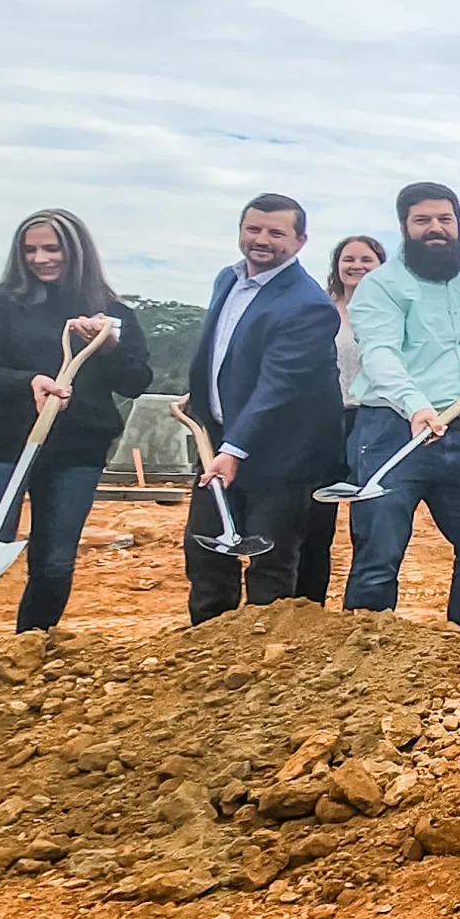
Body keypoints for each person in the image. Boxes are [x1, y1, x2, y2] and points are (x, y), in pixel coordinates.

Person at [0, 209, 153, 640]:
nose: (40, 258)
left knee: (55, 560)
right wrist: (28, 383)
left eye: (51, 248)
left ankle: (33, 646)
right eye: (30, 249)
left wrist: (110, 346)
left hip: (76, 452)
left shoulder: (113, 313)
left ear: (75, 251)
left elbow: (135, 382)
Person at [341, 183, 460, 642]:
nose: (435, 229)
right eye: (423, 221)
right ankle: (366, 651)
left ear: (457, 224)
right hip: (392, 431)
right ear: (404, 227)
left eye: (445, 220)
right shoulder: (381, 286)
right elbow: (379, 353)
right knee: (380, 549)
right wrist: (416, 406)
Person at [182, 193, 344, 624]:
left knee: (270, 559)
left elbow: (280, 385)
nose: (262, 240)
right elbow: (224, 351)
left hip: (281, 455)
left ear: (300, 241)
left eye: (276, 233)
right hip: (219, 440)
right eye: (253, 229)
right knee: (206, 553)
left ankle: (265, 657)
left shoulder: (308, 304)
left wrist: (235, 449)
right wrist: (200, 396)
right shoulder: (228, 280)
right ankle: (206, 650)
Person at [295, 233, 386, 605]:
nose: (357, 266)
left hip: (373, 420)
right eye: (349, 259)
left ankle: (361, 609)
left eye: (367, 260)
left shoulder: (392, 315)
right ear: (337, 266)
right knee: (315, 516)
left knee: (368, 520)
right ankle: (307, 604)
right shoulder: (322, 309)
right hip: (324, 420)